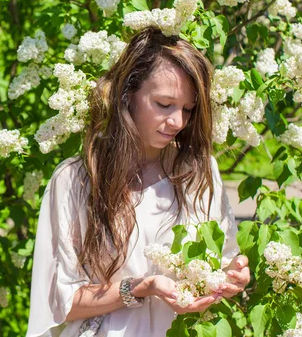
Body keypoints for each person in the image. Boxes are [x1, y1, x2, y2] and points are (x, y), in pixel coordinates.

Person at [26, 27, 251, 337]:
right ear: (129, 94)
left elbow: (223, 263)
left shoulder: (199, 173)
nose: (177, 122)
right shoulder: (77, 179)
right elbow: (60, 301)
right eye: (163, 104)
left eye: (187, 109)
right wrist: (143, 288)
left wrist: (232, 277)